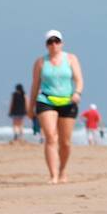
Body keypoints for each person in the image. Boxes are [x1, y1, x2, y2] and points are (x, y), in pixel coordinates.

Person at [28, 29, 84, 184]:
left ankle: (62, 170)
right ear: (46, 45)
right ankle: (53, 175)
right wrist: (30, 106)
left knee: (65, 142)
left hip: (67, 101)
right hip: (46, 100)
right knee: (51, 137)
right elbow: (35, 85)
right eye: (50, 42)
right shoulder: (40, 62)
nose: (53, 45)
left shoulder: (71, 59)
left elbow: (79, 80)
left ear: (62, 43)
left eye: (56, 41)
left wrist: (77, 93)